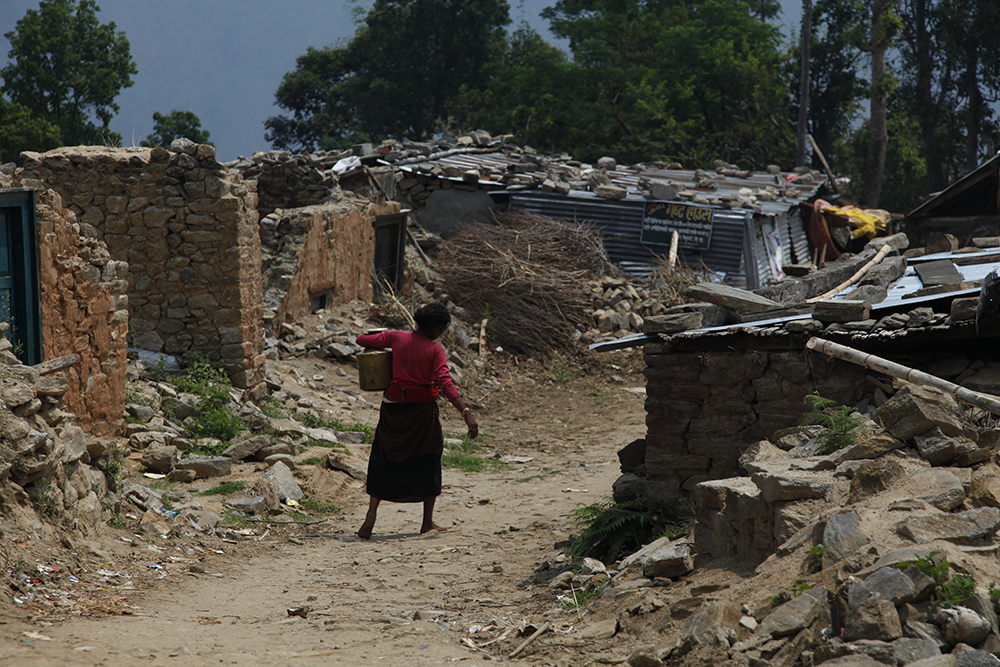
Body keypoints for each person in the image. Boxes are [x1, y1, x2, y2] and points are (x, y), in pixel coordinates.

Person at [354, 302, 478, 539]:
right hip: (421, 413)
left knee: (383, 457)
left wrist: (384, 338)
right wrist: (466, 412)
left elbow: (361, 340)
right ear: (436, 328)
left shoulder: (397, 337)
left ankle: (371, 513)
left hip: (392, 408)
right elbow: (445, 383)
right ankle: (426, 522)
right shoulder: (434, 350)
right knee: (429, 459)